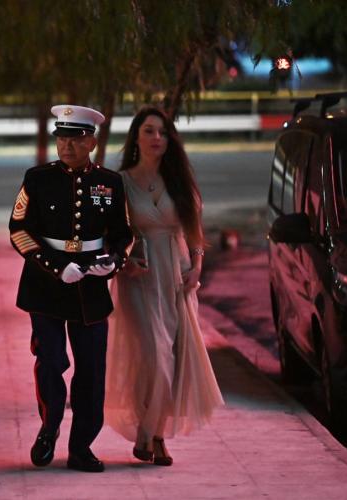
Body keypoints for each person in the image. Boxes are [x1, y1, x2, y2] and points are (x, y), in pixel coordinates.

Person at [9, 104, 133, 472]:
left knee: (91, 370)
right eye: (62, 139)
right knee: (51, 361)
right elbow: (19, 230)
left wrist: (113, 262)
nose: (67, 146)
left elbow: (123, 235)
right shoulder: (37, 178)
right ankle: (49, 428)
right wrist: (56, 267)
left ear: (91, 142)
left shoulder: (110, 183)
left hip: (90, 288)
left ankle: (81, 447)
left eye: (76, 139)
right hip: (45, 285)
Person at [104, 106, 224, 466]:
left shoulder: (179, 181)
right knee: (153, 357)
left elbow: (194, 231)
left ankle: (154, 436)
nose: (157, 138)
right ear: (136, 138)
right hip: (138, 278)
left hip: (175, 276)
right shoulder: (120, 182)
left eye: (163, 132)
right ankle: (148, 432)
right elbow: (109, 234)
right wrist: (123, 263)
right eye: (149, 131)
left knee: (170, 358)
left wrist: (197, 266)